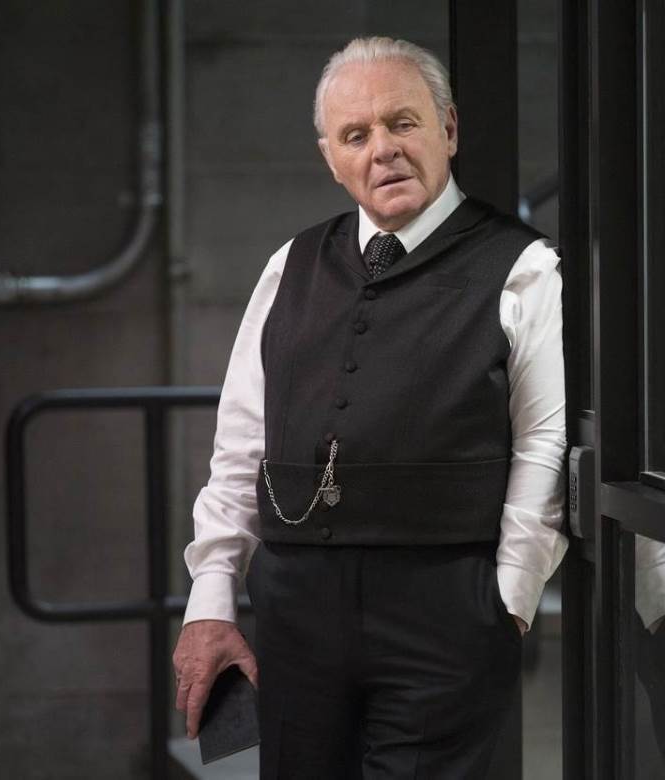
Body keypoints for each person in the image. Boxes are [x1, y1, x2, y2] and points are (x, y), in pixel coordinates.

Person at [171, 36, 567, 778]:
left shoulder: (526, 267)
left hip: (447, 614)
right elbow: (240, 447)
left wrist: (510, 602)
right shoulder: (289, 265)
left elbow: (544, 442)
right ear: (332, 158)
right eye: (355, 135)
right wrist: (211, 600)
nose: (382, 149)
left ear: (448, 128)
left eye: (402, 123)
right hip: (294, 614)